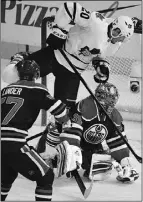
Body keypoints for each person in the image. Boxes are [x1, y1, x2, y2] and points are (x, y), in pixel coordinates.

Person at [2, 1, 135, 111]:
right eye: (117, 32)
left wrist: (100, 66)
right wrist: (60, 30)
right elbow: (69, 8)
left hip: (73, 72)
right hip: (55, 54)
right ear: (114, 24)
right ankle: (19, 59)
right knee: (10, 76)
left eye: (121, 38)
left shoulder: (114, 45)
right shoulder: (97, 23)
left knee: (64, 114)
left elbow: (97, 55)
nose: (117, 38)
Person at [1, 59, 82, 201]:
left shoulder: (5, 90)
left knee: (7, 175)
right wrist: (64, 122)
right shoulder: (37, 88)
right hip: (14, 144)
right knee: (46, 176)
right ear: (36, 74)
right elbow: (59, 109)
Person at [43, 82, 139, 183]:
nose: (112, 101)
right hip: (66, 138)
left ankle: (82, 161)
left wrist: (125, 164)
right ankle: (50, 159)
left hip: (90, 146)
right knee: (60, 149)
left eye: (114, 98)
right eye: (110, 98)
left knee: (100, 168)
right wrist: (72, 150)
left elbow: (118, 142)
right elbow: (72, 131)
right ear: (101, 97)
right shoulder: (85, 106)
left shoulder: (115, 116)